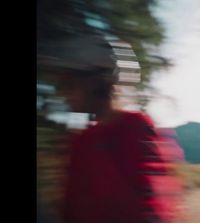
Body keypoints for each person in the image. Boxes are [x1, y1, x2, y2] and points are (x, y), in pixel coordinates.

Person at [43, 35, 184, 223]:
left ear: (99, 82)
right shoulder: (79, 142)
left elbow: (155, 203)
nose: (64, 94)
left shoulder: (136, 127)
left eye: (70, 84)